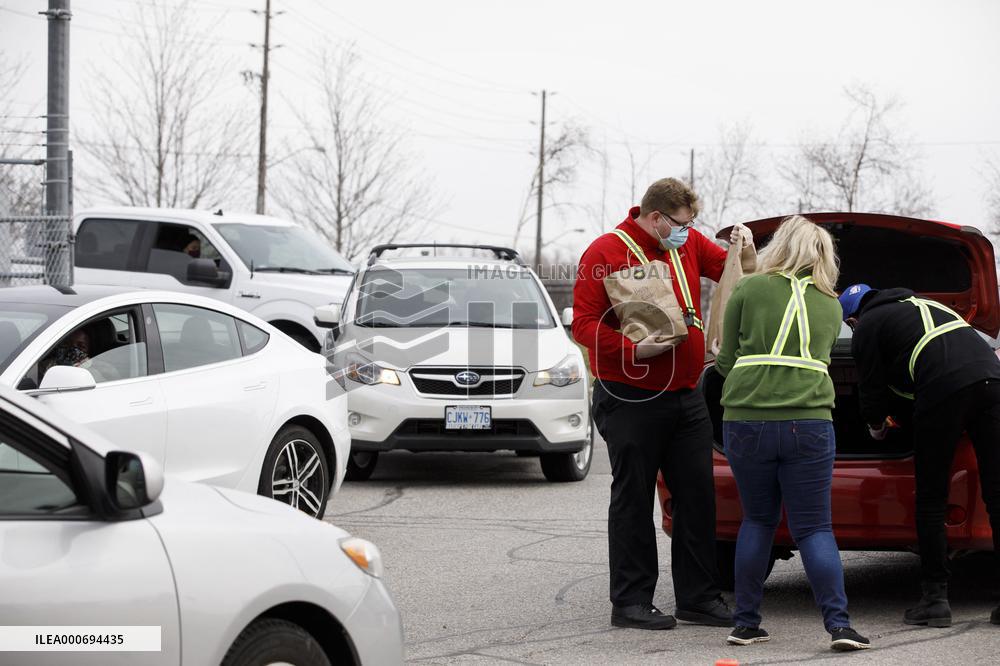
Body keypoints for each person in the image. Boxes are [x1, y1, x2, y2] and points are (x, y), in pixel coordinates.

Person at [572, 177, 754, 630]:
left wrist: (746, 250)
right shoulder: (604, 252)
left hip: (687, 394)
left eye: (691, 225)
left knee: (697, 495)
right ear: (655, 218)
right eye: (680, 223)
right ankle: (631, 602)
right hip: (629, 395)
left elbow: (735, 272)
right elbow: (583, 325)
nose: (688, 232)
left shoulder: (687, 243)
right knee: (633, 498)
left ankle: (698, 597)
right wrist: (632, 350)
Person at [715, 215, 870, 651]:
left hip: (745, 422)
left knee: (758, 520)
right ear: (824, 257)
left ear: (780, 245)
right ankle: (839, 626)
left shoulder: (749, 288)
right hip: (809, 424)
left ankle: (745, 624)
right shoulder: (830, 303)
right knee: (815, 527)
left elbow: (725, 361)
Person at [840, 281, 1000, 629]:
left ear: (852, 319)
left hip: (943, 388)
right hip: (992, 380)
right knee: (997, 492)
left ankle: (935, 600)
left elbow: (870, 388)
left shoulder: (867, 324)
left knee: (930, 497)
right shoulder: (930, 305)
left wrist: (876, 426)